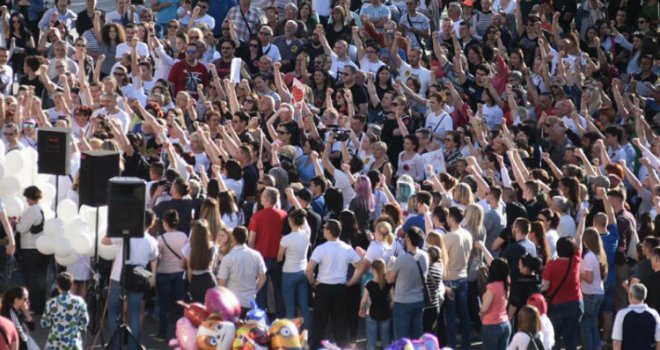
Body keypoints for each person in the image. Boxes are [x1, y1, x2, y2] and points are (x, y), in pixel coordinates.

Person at [101, 210, 159, 350]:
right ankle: (133, 347)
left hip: (117, 276)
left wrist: (117, 226)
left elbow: (104, 241)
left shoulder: (125, 234)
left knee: (114, 311)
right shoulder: (151, 240)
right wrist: (153, 276)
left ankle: (116, 345)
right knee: (134, 314)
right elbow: (154, 258)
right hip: (138, 279)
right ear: (151, 224)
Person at [307, 219, 362, 349]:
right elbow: (360, 266)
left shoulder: (321, 249)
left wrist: (313, 282)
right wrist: (351, 281)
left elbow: (309, 269)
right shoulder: (346, 248)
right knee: (340, 322)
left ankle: (316, 346)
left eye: (325, 228)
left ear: (329, 231)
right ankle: (342, 346)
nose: (323, 230)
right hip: (340, 288)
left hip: (323, 288)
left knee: (320, 322)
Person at [387, 227, 428, 340]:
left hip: (402, 302)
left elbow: (390, 280)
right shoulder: (425, 256)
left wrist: (390, 266)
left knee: (402, 339)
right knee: (417, 338)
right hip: (419, 300)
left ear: (408, 239)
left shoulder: (401, 259)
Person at [14, 186, 49, 315]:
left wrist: (15, 223)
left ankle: (34, 306)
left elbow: (22, 228)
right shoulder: (42, 208)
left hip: (30, 247)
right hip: (41, 248)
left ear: (29, 197)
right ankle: (40, 305)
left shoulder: (31, 210)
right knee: (41, 278)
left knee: (31, 278)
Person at [217, 226, 267, 316]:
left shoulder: (228, 258)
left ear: (233, 238)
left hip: (232, 302)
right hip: (250, 302)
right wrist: (255, 290)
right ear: (246, 237)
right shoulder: (256, 255)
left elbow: (221, 283)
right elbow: (262, 277)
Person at [155, 209, 187, 341]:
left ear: (165, 223)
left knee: (164, 305)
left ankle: (162, 333)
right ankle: (182, 333)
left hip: (164, 273)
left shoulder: (161, 239)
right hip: (180, 273)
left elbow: (156, 257)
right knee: (180, 305)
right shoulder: (183, 236)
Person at [277, 208, 312, 331]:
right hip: (303, 271)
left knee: (290, 307)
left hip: (288, 273)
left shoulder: (286, 239)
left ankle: (292, 334)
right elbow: (306, 224)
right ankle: (308, 333)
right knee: (304, 305)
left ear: (291, 221)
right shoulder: (307, 234)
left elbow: (279, 257)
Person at [41, 272, 89, 349]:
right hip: (73, 343)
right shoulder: (79, 302)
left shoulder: (51, 303)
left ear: (58, 285)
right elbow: (84, 321)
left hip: (55, 343)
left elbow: (45, 323)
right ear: (71, 285)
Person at [612, 283, 660, 350]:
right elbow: (659, 341)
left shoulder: (621, 314)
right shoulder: (654, 314)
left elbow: (617, 342)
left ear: (630, 295)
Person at [182, 219, 218, 303]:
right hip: (209, 279)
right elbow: (213, 266)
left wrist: (192, 283)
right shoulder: (212, 247)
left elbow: (189, 270)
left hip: (195, 281)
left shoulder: (190, 248)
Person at [360, 259, 392, 350]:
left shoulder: (369, 284)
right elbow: (394, 299)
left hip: (372, 313)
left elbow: (364, 301)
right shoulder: (388, 283)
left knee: (371, 342)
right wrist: (389, 307)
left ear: (373, 269)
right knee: (386, 341)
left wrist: (361, 309)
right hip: (385, 314)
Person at [479, 258, 511, 350]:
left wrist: (480, 313)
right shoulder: (507, 283)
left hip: (491, 325)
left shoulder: (492, 287)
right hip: (505, 323)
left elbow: (485, 308)